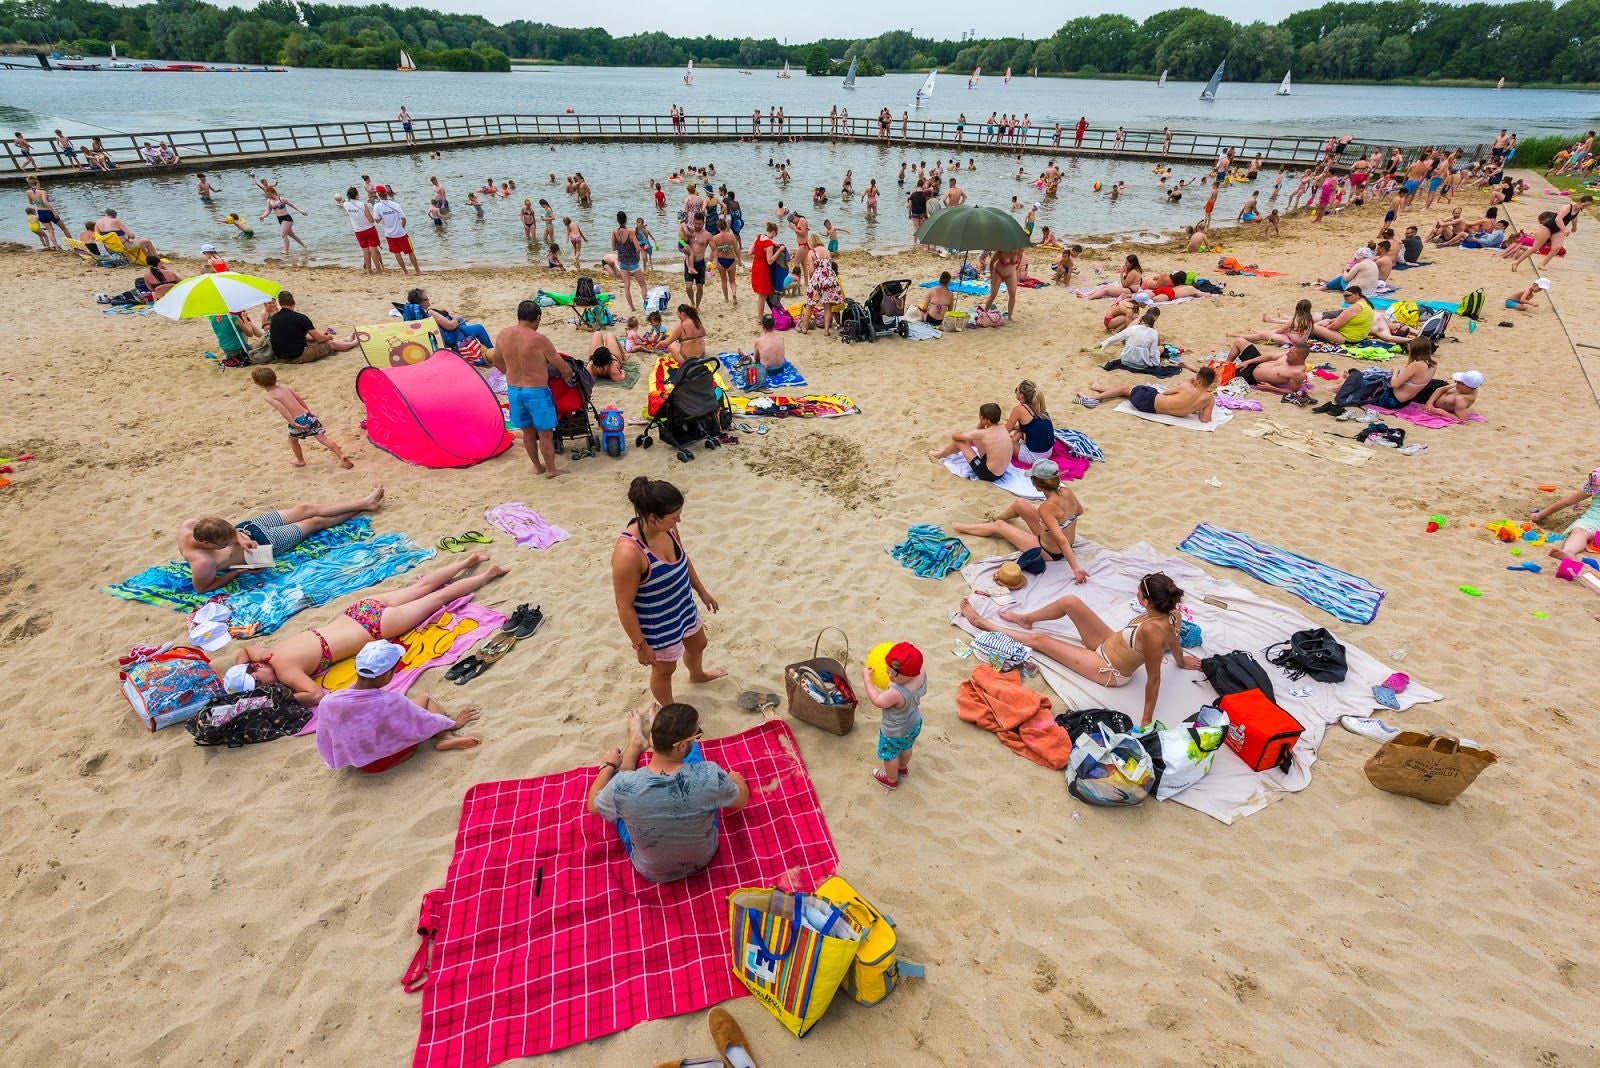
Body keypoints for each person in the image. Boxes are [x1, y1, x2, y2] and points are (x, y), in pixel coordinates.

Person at [228, 555, 506, 706]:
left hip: (374, 629)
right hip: (357, 610)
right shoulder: (267, 654)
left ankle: (487, 574)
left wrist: (273, 698)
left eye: (261, 681)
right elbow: (244, 650)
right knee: (421, 588)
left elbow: (314, 695)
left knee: (435, 599)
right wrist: (242, 671)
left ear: (255, 668)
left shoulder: (287, 672)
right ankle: (467, 562)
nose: (269, 684)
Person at [959, 572, 1200, 727]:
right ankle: (1025, 618)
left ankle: (982, 623)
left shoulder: (1151, 631)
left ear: (1146, 601)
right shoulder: (1172, 615)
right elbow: (1176, 642)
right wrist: (1180, 661)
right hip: (1108, 643)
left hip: (1109, 668)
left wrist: (1146, 718)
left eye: (1139, 591)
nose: (1136, 593)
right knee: (1070, 602)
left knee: (1041, 640)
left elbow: (1154, 678)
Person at [586, 703, 748, 883]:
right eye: (697, 734)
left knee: (620, 795)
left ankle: (635, 744)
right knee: (695, 760)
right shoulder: (709, 774)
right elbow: (740, 801)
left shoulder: (623, 785)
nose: (697, 737)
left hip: (650, 869)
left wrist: (608, 765)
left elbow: (593, 805)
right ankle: (643, 742)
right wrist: (737, 780)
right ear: (681, 746)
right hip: (702, 859)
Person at [611, 478, 726, 708]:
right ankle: (670, 708)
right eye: (674, 517)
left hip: (682, 607)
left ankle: (697, 675)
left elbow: (684, 559)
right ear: (653, 517)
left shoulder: (669, 529)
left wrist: (702, 592)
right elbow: (624, 606)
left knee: (698, 644)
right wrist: (640, 645)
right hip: (657, 624)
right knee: (665, 670)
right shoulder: (629, 554)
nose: (678, 520)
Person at [311, 640, 481, 770]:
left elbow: (325, 737)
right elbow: (422, 719)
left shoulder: (328, 702)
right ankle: (446, 737)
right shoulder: (391, 701)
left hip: (365, 766)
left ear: (356, 667)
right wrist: (454, 723)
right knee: (426, 698)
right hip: (396, 755)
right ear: (387, 676)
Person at [178, 487, 384, 593]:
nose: (228, 542)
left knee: (305, 508)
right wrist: (237, 571)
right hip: (264, 546)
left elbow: (231, 531)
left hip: (250, 527)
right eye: (224, 544)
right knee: (315, 522)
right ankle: (362, 507)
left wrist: (238, 538)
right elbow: (202, 588)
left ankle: (365, 501)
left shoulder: (190, 525)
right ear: (207, 544)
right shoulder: (202, 562)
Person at [954, 459, 1088, 584]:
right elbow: (1079, 511)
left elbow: (1061, 540)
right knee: (1020, 504)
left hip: (1050, 552)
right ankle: (997, 517)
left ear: (1037, 484)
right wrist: (1062, 521)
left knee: (1000, 526)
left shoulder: (1046, 508)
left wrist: (1075, 568)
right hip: (1058, 540)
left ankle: (960, 527)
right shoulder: (1067, 491)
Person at [490, 300, 572, 478]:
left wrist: (510, 373)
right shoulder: (539, 339)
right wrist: (568, 375)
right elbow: (562, 366)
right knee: (545, 433)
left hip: (514, 390)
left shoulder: (503, 335)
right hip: (536, 391)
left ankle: (537, 467)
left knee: (527, 433)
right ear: (538, 318)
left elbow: (496, 361)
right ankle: (551, 470)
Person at [251, 366, 352, 468]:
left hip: (297, 420)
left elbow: (283, 409)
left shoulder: (269, 396)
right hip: (308, 415)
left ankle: (300, 460)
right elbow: (300, 399)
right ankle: (341, 455)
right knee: (323, 439)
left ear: (258, 383)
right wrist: (309, 412)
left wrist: (292, 422)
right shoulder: (285, 387)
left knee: (292, 441)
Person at [859, 642, 925, 790]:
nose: (889, 675)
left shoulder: (896, 692)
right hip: (914, 723)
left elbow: (877, 701)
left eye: (893, 674)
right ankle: (902, 768)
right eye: (887, 670)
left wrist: (867, 679)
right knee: (906, 746)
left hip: (894, 732)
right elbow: (917, 659)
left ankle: (891, 779)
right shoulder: (920, 674)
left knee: (890, 754)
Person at [1078, 367, 1219, 423]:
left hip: (1149, 400)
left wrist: (1188, 384)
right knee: (1126, 392)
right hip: (1153, 410)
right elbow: (1205, 419)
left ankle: (1093, 397)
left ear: (1198, 380)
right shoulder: (1209, 400)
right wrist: (1197, 408)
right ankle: (1099, 388)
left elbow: (1165, 393)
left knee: (1126, 388)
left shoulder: (1187, 386)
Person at [928, 403, 1014, 482]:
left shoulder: (984, 433)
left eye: (980, 417)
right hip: (1000, 472)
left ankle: (940, 454)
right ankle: (947, 451)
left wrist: (963, 433)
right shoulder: (1003, 428)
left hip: (988, 474)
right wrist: (981, 424)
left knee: (959, 441)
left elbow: (955, 436)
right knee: (975, 438)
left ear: (984, 419)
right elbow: (977, 434)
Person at [269, 290, 360, 364]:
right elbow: (319, 339)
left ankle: (346, 340)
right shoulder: (300, 318)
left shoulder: (274, 318)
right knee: (329, 344)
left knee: (313, 340)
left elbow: (291, 335)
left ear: (280, 304)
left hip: (281, 356)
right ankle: (354, 343)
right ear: (294, 302)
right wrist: (329, 336)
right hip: (296, 356)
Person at [1530, 467, 1600, 561]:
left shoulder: (1597, 479)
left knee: (1580, 532)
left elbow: (1566, 502)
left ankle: (1569, 551)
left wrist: (1539, 516)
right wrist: (1539, 516)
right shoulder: (1597, 480)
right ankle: (1568, 552)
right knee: (1580, 532)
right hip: (1593, 520)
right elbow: (1566, 502)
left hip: (1592, 520)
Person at [404, 288, 493, 355]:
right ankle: (492, 351)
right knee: (478, 327)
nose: (428, 299)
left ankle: (470, 347)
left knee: (462, 322)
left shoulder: (415, 314)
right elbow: (451, 326)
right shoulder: (430, 313)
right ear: (421, 303)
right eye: (426, 299)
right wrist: (455, 317)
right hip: (453, 338)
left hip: (441, 337)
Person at [1366, 338, 1439, 410]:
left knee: (1364, 382)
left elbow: (1394, 384)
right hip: (1405, 401)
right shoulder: (1433, 365)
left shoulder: (1416, 365)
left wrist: (1395, 371)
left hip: (1390, 400)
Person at [800, 234, 843, 336]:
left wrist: (811, 280)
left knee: (810, 304)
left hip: (818, 280)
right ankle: (826, 331)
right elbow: (830, 265)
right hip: (829, 279)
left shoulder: (812, 252)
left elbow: (811, 270)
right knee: (827, 306)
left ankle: (805, 328)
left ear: (811, 242)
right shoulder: (827, 251)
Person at [1232, 340, 1309, 396]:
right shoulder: (1288, 354)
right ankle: (1227, 363)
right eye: (1289, 351)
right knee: (1239, 341)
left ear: (1299, 357)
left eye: (1291, 353)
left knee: (1224, 374)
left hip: (1250, 376)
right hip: (1256, 363)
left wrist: (1272, 388)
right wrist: (1248, 361)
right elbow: (1270, 357)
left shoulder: (1297, 373)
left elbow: (1293, 391)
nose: (1288, 353)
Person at [1098, 309, 1164, 374]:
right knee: (1161, 348)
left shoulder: (1133, 328)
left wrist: (1104, 344)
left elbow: (1115, 338)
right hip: (1142, 364)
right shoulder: (1154, 332)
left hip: (1125, 360)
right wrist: (1155, 363)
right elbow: (1153, 353)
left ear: (1142, 321)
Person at [371, 187, 419, 274]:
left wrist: (383, 215)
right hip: (400, 233)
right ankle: (418, 271)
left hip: (389, 234)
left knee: (397, 253)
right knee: (410, 251)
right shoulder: (395, 205)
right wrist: (402, 227)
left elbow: (377, 221)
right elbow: (404, 219)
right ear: (386, 193)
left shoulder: (377, 206)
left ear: (378, 194)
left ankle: (405, 272)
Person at [1006, 381, 1055, 464]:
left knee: (1004, 442)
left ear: (1021, 396)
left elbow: (1005, 431)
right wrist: (1014, 428)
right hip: (1048, 452)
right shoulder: (1038, 406)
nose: (1015, 391)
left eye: (1016, 390)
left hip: (1034, 456)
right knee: (1018, 432)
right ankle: (1015, 440)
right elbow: (1031, 426)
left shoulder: (1019, 409)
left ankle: (1014, 442)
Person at [1310, 287, 1375, 346]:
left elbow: (1334, 327)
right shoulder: (1366, 304)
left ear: (1357, 295)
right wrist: (1328, 322)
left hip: (1347, 338)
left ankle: (1302, 333)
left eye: (1348, 295)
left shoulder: (1356, 307)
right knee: (1326, 321)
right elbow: (1341, 320)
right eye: (1344, 296)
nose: (1345, 298)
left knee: (1313, 327)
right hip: (1357, 338)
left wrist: (1324, 327)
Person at [258, 189, 308, 255]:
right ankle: (304, 246)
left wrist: (301, 211)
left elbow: (292, 205)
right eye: (267, 194)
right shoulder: (269, 201)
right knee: (292, 235)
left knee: (283, 234)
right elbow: (268, 211)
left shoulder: (281, 199)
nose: (268, 196)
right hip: (280, 219)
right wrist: (263, 216)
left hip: (287, 218)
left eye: (269, 194)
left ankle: (286, 251)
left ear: (273, 192)